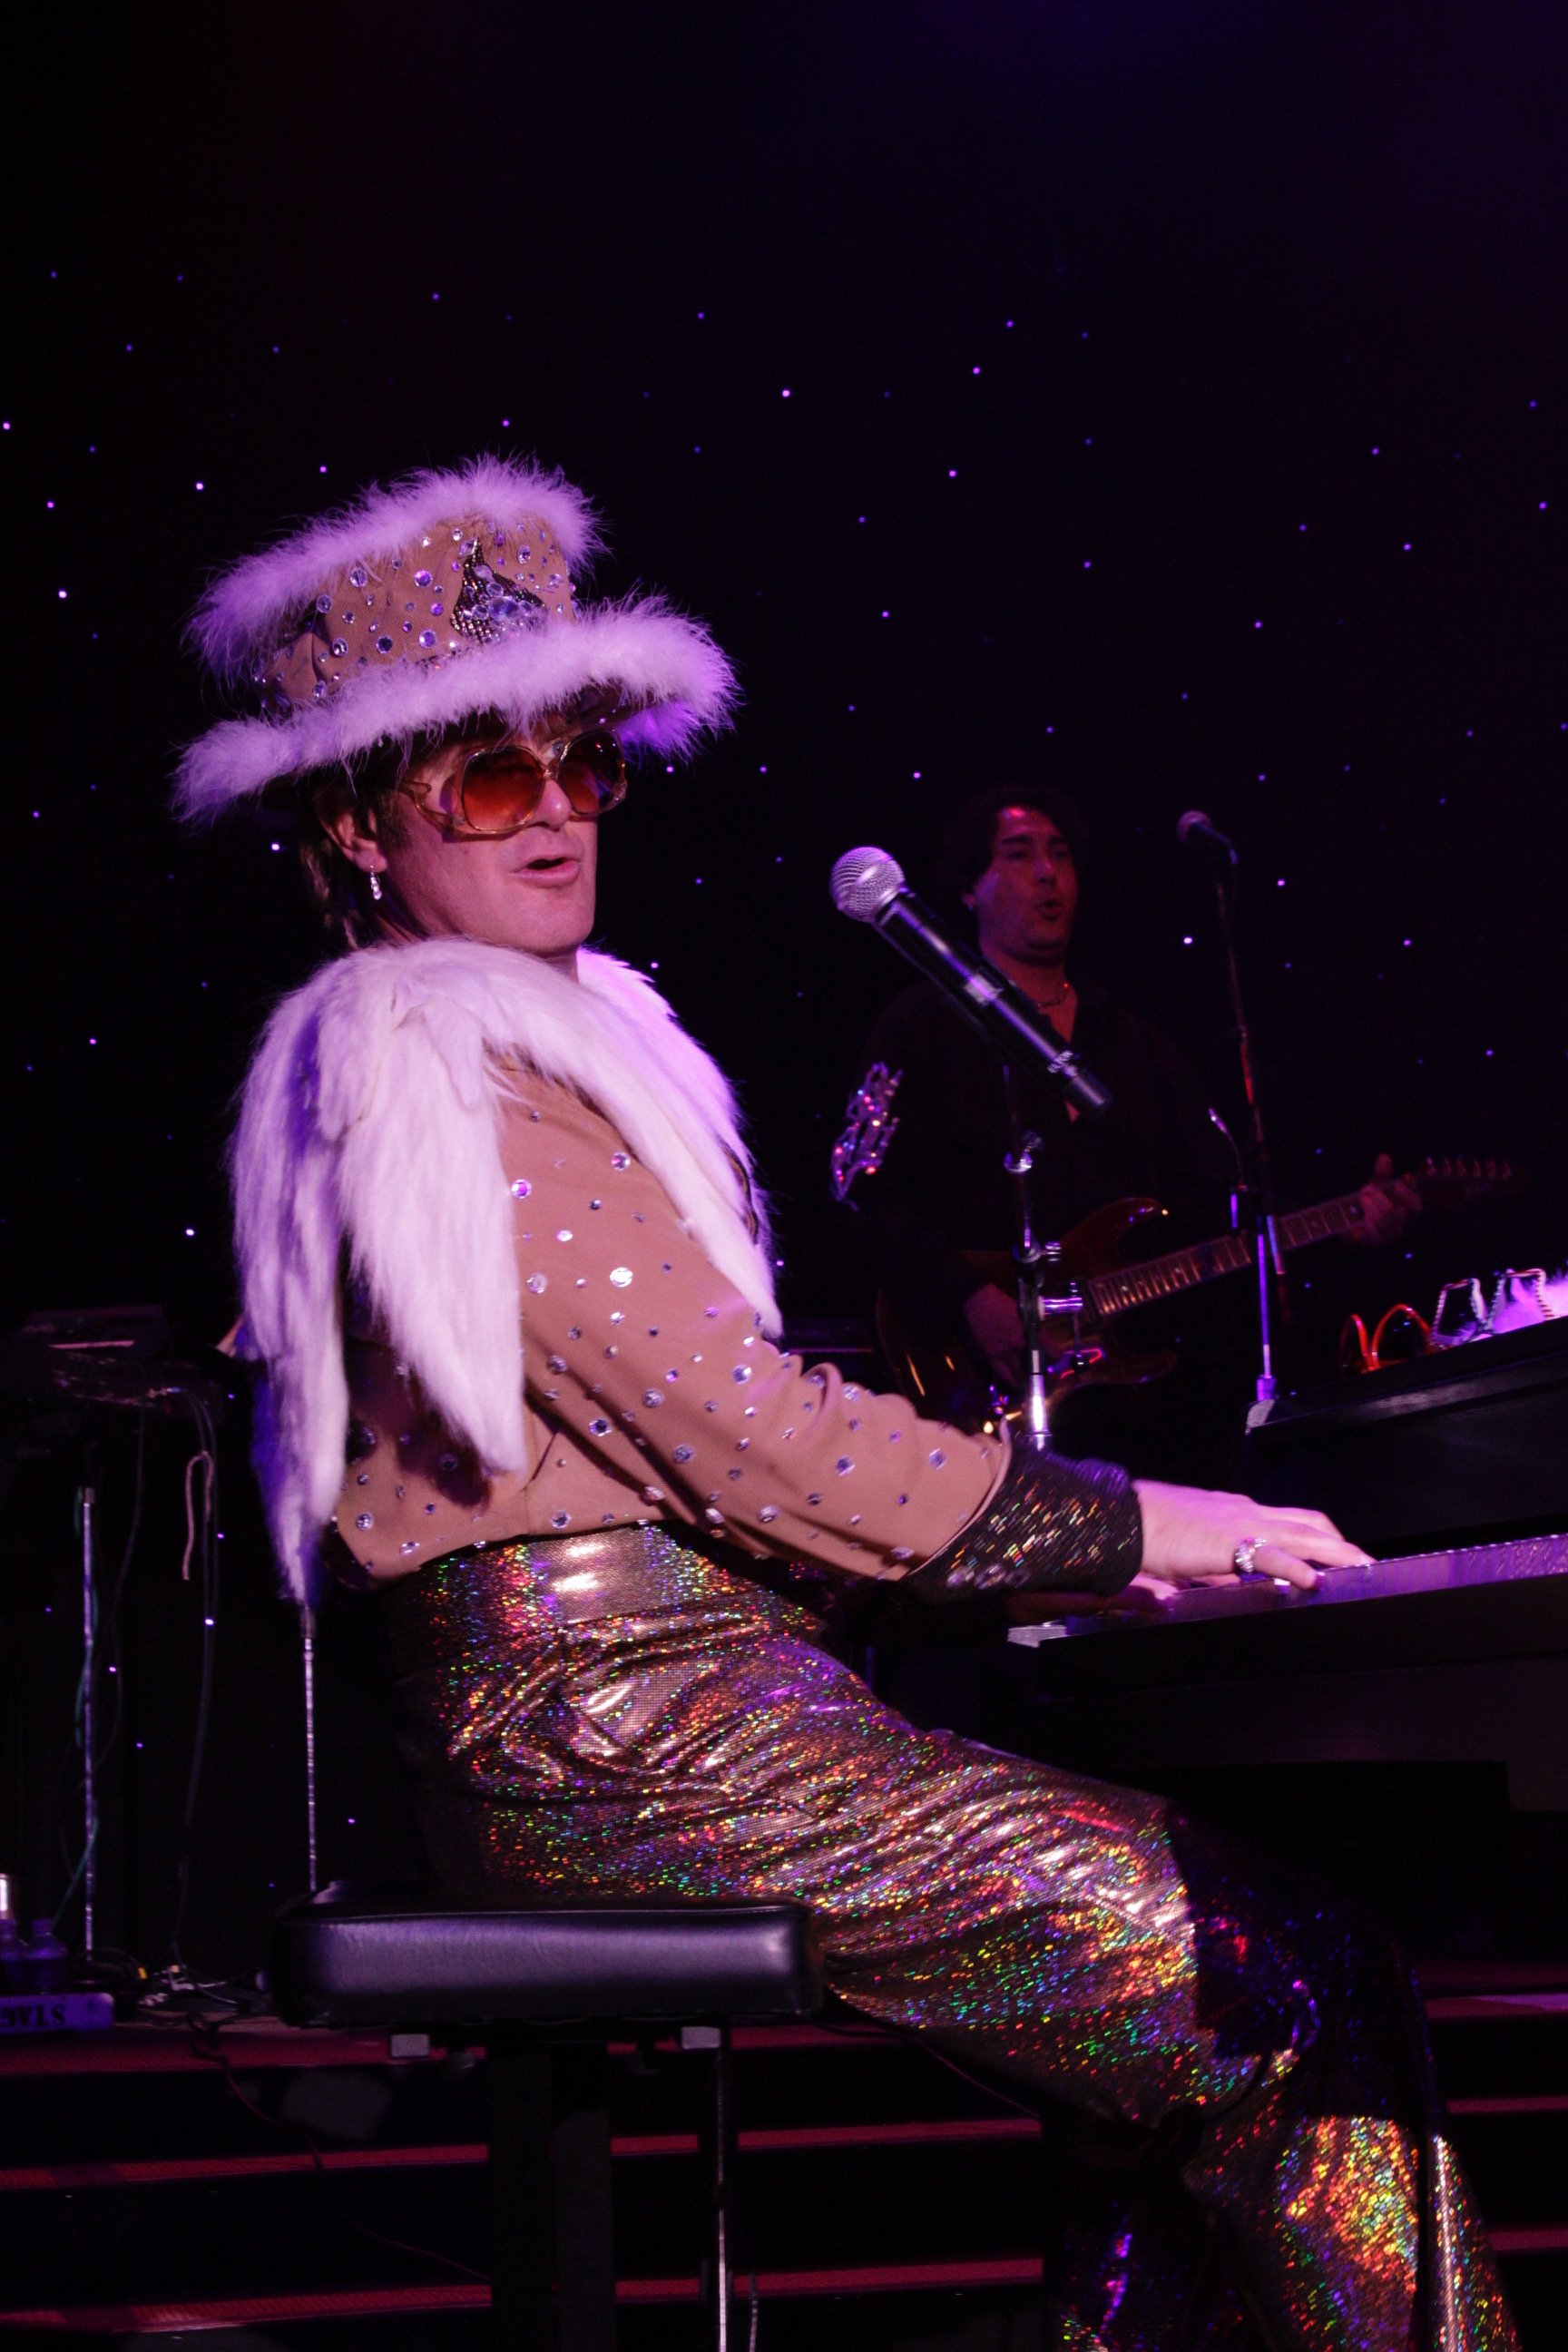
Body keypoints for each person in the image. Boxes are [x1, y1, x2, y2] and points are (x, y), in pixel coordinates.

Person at [179, 459, 1514, 2349]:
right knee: (1286, 1978)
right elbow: (742, 1426)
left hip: (677, 1708)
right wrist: (1134, 1521)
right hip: (625, 1740)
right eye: (487, 777)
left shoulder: (536, 1043)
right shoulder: (424, 1062)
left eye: (583, 763)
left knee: (1199, 2026)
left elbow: (709, 1440)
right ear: (359, 827)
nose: (555, 808)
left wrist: (1060, 1557)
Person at [837, 786, 1419, 1483]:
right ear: (969, 887)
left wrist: (1337, 1223)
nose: (1048, 873)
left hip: (1136, 1418)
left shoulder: (1134, 1043)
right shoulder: (920, 1024)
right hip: (971, 1394)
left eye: (1060, 855)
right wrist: (966, 1295)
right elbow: (861, 1189)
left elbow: (1216, 1204)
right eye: (1019, 855)